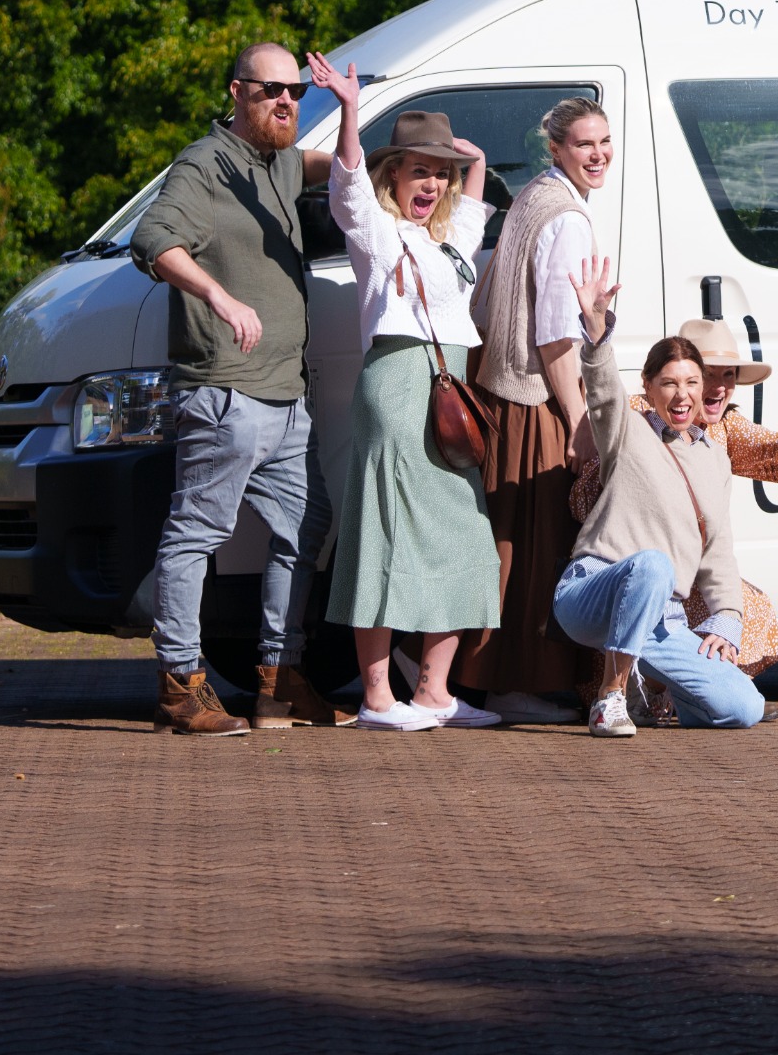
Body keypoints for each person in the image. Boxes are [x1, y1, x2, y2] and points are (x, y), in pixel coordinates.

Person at [133, 41, 336, 736]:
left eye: (295, 92)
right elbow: (152, 237)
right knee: (196, 532)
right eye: (270, 90)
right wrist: (218, 296)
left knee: (305, 528)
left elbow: (344, 172)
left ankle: (279, 682)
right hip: (227, 393)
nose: (285, 101)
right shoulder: (205, 163)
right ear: (237, 91)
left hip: (286, 398)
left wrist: (355, 110)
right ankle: (179, 685)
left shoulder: (279, 160)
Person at [309, 54, 506, 731]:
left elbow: (476, 205)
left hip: (448, 387)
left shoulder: (451, 237)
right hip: (395, 385)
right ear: (392, 174)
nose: (432, 182)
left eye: (440, 172)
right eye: (418, 169)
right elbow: (345, 183)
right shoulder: (375, 229)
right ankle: (376, 699)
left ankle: (434, 693)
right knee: (384, 535)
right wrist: (351, 108)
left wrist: (470, 160)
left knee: (463, 537)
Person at [570, 317, 778, 681]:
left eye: (729, 376)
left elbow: (775, 451)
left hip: (683, 574)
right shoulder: (632, 418)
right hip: (622, 572)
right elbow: (585, 489)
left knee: (743, 603)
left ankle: (711, 686)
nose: (719, 388)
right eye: (710, 374)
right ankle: (627, 688)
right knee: (655, 577)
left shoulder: (722, 429)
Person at [459, 96, 618, 721]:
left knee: (504, 538)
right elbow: (557, 337)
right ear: (556, 149)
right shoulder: (568, 218)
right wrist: (579, 420)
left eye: (604, 141)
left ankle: (487, 675)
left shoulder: (534, 197)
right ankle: (512, 680)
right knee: (532, 543)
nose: (599, 154)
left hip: (504, 389)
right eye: (585, 144)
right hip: (536, 398)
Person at [552, 299, 768, 736]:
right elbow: (602, 388)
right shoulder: (627, 429)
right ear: (648, 387)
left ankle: (660, 691)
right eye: (669, 383)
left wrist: (727, 614)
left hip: (662, 619)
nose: (683, 393)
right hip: (593, 591)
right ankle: (610, 698)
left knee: (746, 706)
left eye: (692, 381)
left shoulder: (716, 459)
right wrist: (597, 335)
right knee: (653, 564)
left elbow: (719, 547)